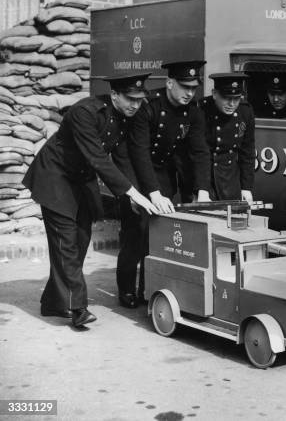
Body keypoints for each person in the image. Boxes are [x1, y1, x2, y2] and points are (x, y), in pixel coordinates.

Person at [22, 72, 159, 328]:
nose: (135, 105)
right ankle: (77, 308)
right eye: (130, 99)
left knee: (81, 240)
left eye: (139, 101)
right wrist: (131, 192)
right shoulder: (85, 112)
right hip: (55, 176)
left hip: (80, 180)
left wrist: (131, 195)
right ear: (115, 95)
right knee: (66, 243)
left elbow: (121, 158)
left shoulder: (123, 118)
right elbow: (98, 157)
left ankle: (53, 301)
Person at [118, 60, 210, 308]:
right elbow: (139, 152)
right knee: (136, 232)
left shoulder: (193, 111)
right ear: (169, 83)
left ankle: (148, 289)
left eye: (193, 88)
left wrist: (201, 190)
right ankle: (126, 288)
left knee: (159, 235)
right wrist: (151, 194)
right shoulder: (149, 106)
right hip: (137, 174)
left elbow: (199, 151)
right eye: (184, 87)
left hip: (164, 173)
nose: (190, 93)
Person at [199, 72, 255, 201]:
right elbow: (197, 154)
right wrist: (200, 189)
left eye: (236, 98)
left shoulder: (245, 112)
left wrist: (246, 188)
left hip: (230, 178)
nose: (232, 104)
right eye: (226, 98)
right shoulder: (201, 110)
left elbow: (247, 152)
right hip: (205, 177)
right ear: (214, 94)